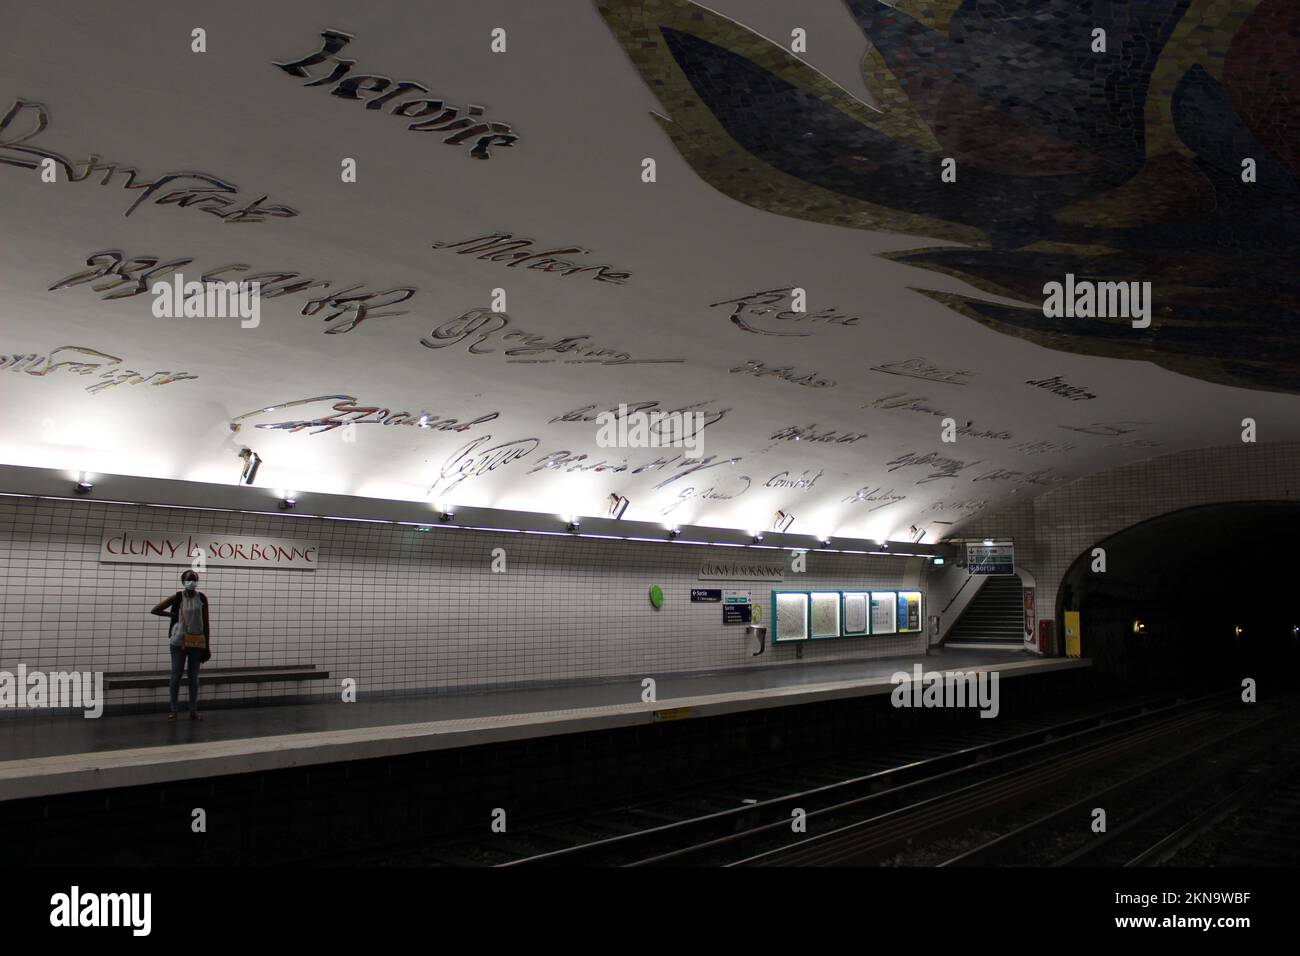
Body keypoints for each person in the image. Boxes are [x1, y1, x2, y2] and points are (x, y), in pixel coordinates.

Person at [150, 570, 212, 720]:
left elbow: (206, 622)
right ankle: (174, 710)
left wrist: (207, 646)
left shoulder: (201, 597)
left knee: (193, 677)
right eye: (188, 579)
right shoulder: (178, 597)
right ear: (183, 582)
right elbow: (155, 610)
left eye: (194, 579)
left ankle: (193, 710)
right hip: (178, 642)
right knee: (176, 675)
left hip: (197, 642)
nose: (191, 582)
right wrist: (172, 615)